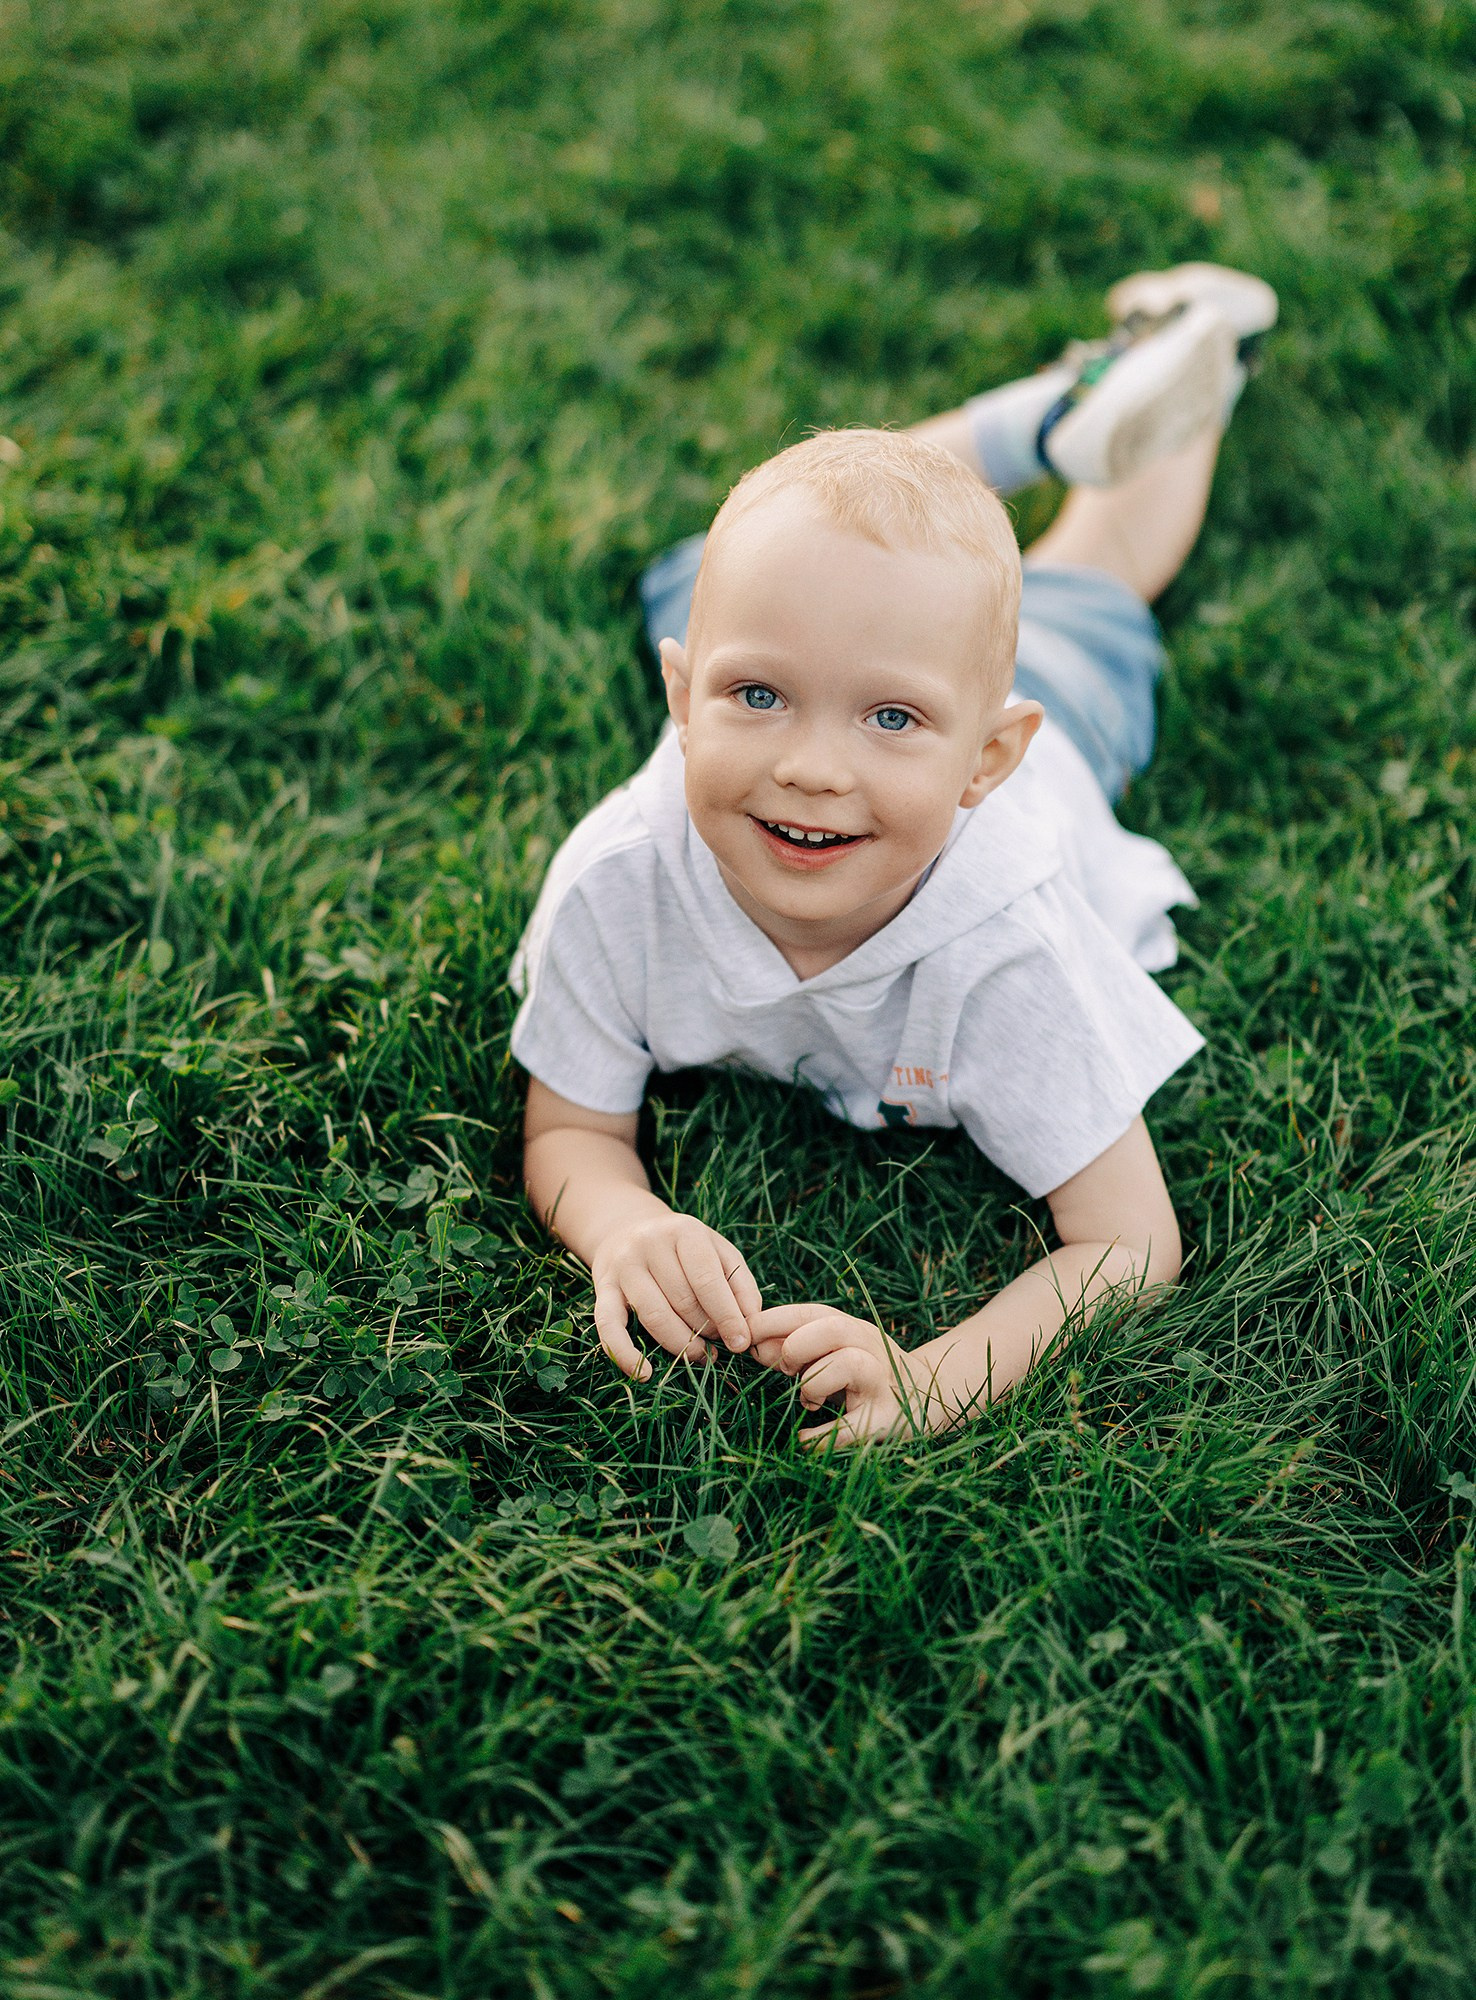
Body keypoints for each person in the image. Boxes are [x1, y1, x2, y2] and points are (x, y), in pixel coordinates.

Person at [511, 262, 1278, 1447]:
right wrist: (620, 1223)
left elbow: (1128, 1240)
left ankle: (1193, 348)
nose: (813, 767)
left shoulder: (1006, 945)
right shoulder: (621, 882)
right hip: (871, 628)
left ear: (985, 757)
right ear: (680, 695)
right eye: (755, 693)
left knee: (1099, 571)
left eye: (889, 720)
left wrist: (934, 1379)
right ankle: (1045, 422)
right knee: (728, 559)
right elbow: (572, 1131)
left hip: (1064, 700)